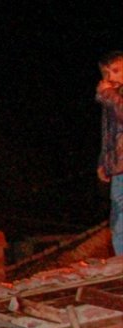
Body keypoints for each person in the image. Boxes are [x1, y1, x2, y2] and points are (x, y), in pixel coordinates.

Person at [98, 51, 123, 256]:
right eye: (107, 72)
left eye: (115, 71)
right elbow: (109, 134)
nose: (110, 77)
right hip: (118, 165)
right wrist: (103, 162)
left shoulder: (114, 97)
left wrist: (108, 95)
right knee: (118, 218)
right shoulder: (112, 98)